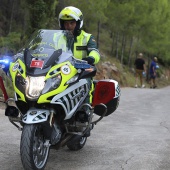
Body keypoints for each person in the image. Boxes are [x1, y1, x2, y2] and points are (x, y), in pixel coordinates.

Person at [58, 6, 101, 136]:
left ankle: (84, 116)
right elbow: (46, 49)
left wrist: (90, 58)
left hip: (81, 71)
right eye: (66, 23)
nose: (68, 26)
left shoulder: (87, 37)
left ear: (78, 23)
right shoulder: (57, 38)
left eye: (72, 23)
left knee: (85, 85)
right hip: (61, 71)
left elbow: (95, 52)